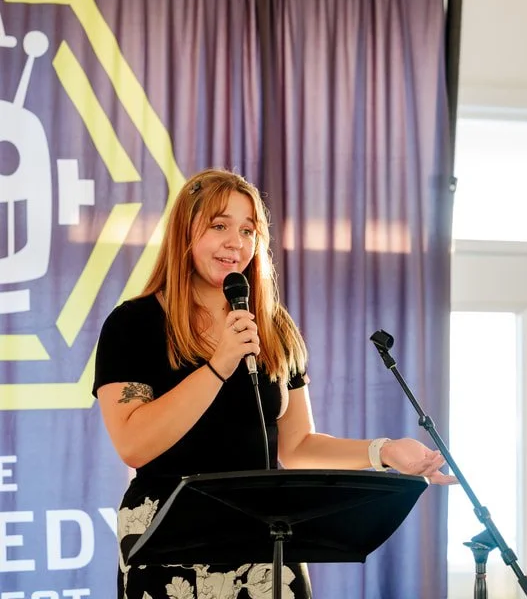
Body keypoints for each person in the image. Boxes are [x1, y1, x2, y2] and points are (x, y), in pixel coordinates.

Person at [93, 168, 455, 599]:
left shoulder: (274, 327)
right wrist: (218, 365)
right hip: (170, 545)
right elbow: (135, 444)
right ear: (183, 234)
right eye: (219, 226)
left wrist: (382, 452)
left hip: (265, 545)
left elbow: (297, 445)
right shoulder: (134, 324)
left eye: (248, 230)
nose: (236, 242)